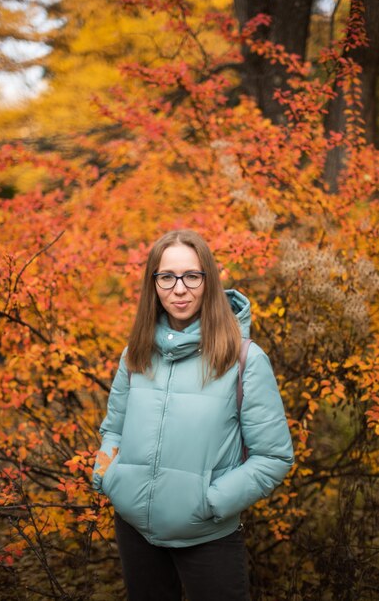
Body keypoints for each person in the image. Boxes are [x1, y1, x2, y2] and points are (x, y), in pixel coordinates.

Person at [92, 229, 294, 601]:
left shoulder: (245, 360)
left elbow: (274, 457)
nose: (179, 288)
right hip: (135, 531)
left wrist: (212, 502)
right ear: (153, 284)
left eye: (192, 276)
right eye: (167, 277)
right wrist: (107, 475)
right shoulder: (134, 354)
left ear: (208, 281)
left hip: (207, 537)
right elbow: (113, 429)